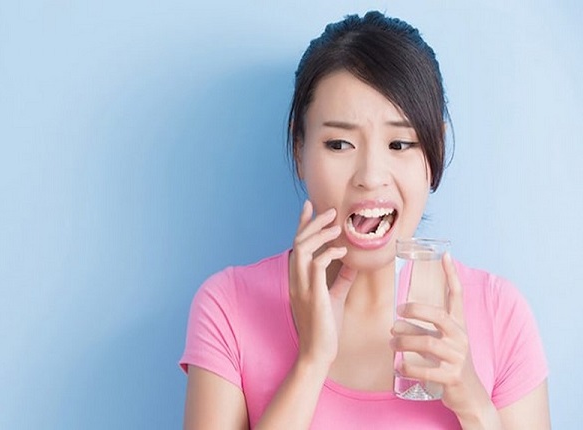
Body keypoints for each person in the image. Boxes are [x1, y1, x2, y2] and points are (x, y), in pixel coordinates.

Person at [180, 11, 550, 429]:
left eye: (400, 143)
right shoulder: (228, 308)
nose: (371, 176)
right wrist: (311, 363)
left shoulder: (501, 315)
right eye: (339, 144)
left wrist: (475, 404)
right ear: (300, 149)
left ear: (436, 150)